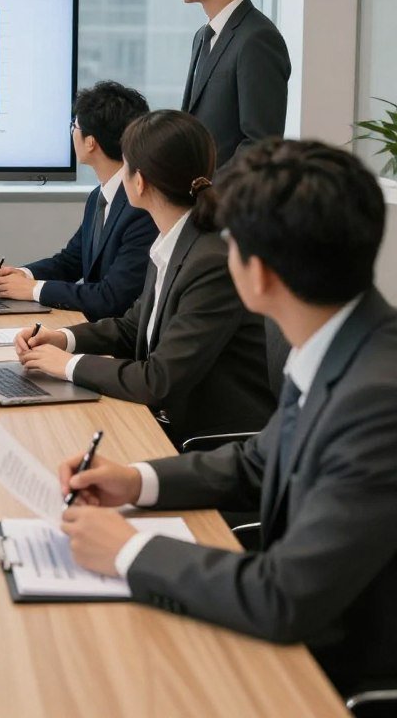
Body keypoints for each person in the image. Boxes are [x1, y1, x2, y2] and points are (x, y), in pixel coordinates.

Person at [56, 140, 397, 701]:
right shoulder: (341, 341)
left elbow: (284, 596)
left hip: (329, 674)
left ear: (257, 274)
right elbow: (257, 459)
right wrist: (135, 480)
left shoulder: (375, 401)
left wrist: (127, 550)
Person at [15, 110, 274, 447]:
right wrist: (62, 338)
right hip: (166, 419)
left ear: (139, 182)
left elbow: (158, 380)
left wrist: (68, 365)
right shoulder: (174, 239)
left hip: (207, 441)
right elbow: (132, 326)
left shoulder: (211, 262)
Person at [0, 81, 156, 320]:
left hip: (116, 339)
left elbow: (112, 297)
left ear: (90, 142)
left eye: (74, 125)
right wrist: (19, 275)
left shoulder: (140, 206)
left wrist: (32, 290)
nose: (72, 132)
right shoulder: (100, 195)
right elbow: (70, 261)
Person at [175, 0, 291, 167]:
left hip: (228, 200)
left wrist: (208, 193)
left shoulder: (257, 38)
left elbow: (261, 144)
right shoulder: (202, 35)